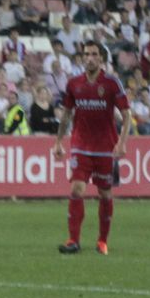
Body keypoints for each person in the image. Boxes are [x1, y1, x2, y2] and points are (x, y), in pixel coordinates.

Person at [53, 42, 132, 255]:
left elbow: (126, 116)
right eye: (86, 54)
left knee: (105, 194)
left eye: (94, 54)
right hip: (80, 145)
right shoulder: (73, 84)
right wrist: (59, 142)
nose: (89, 58)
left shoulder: (112, 83)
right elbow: (67, 114)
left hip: (106, 147)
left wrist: (122, 142)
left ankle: (102, 241)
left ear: (101, 59)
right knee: (76, 189)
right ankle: (73, 240)